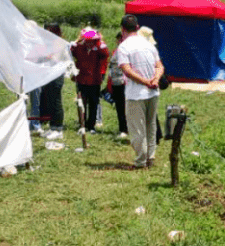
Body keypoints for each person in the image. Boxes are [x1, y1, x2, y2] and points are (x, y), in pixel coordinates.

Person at [115, 14, 164, 169]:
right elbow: (160, 66)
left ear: (122, 29)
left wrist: (145, 82)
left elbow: (127, 70)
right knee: (151, 126)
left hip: (136, 94)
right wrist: (155, 80)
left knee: (137, 129)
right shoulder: (148, 44)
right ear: (137, 27)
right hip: (153, 92)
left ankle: (140, 161)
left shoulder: (123, 47)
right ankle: (151, 157)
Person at [70, 26, 109, 133]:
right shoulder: (78, 47)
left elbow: (106, 54)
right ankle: (82, 124)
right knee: (81, 102)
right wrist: (72, 45)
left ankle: (91, 126)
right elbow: (69, 53)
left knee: (93, 103)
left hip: (95, 80)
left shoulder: (99, 48)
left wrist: (100, 42)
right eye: (88, 40)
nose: (89, 43)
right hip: (81, 79)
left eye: (92, 40)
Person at [39, 21, 65, 138]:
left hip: (56, 75)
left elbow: (56, 58)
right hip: (47, 75)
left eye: (49, 29)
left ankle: (58, 129)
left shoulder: (59, 42)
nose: (46, 32)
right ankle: (52, 127)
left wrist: (45, 55)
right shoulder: (48, 43)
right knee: (49, 101)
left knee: (56, 102)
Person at [107, 29, 129, 139]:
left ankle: (125, 129)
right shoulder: (116, 51)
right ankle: (122, 128)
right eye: (118, 39)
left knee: (125, 107)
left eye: (120, 39)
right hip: (115, 81)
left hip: (124, 82)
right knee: (119, 107)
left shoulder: (127, 50)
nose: (118, 41)